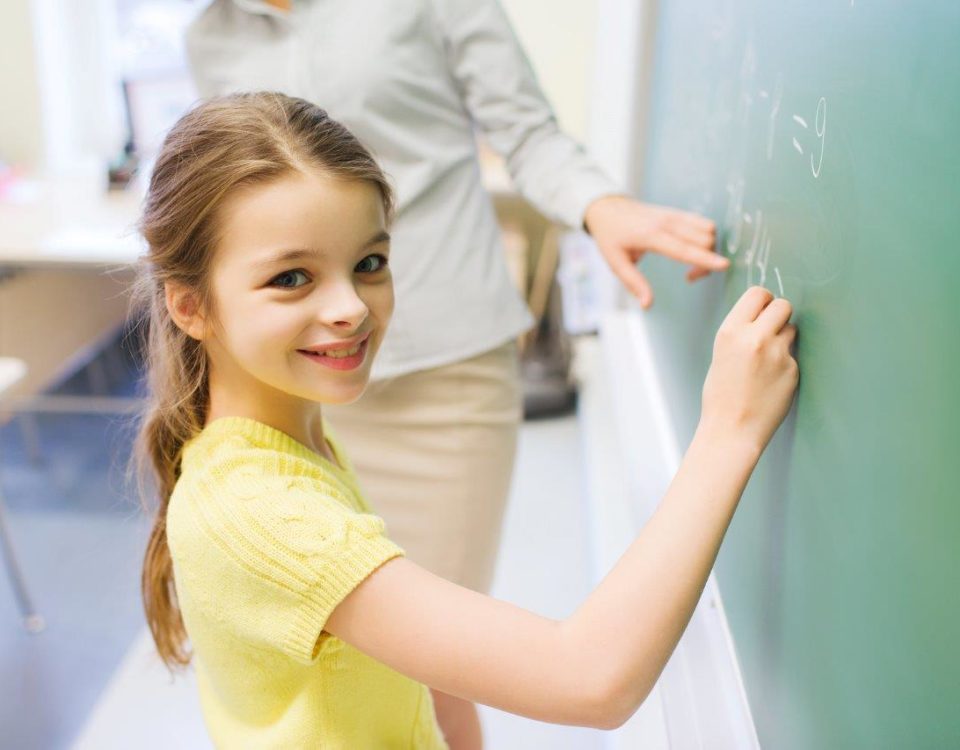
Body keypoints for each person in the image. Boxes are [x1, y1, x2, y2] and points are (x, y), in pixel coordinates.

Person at [136, 93, 798, 749]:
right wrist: (729, 431)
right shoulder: (262, 511)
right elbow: (590, 678)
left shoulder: (288, 435)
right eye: (290, 279)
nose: (351, 309)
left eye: (369, 264)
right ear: (191, 307)